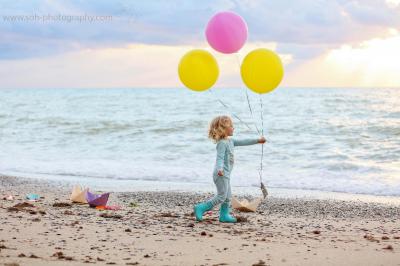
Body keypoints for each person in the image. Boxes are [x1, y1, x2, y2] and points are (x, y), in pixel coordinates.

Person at [194, 115, 266, 223]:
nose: (233, 128)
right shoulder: (222, 144)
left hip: (226, 175)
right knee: (221, 197)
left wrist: (258, 140)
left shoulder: (231, 141)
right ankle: (201, 207)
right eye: (231, 126)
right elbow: (219, 158)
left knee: (228, 197)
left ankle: (224, 215)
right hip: (220, 174)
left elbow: (244, 141)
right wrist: (220, 169)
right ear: (223, 128)